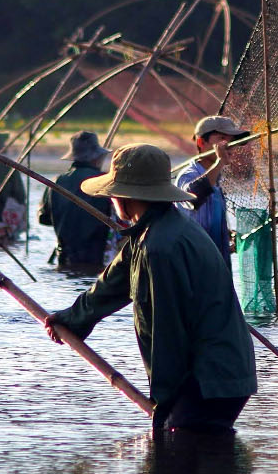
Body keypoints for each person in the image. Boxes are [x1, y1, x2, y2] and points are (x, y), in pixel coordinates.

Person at [44, 143, 257, 432]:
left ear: (124, 197)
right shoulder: (149, 232)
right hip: (216, 373)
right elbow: (110, 286)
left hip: (210, 379)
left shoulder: (161, 247)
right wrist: (71, 320)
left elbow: (166, 330)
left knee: (178, 442)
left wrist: (164, 401)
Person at [176, 115, 250, 269]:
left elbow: (208, 222)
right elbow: (192, 197)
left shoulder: (216, 181)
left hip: (217, 267)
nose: (229, 146)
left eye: (232, 140)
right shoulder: (189, 175)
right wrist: (219, 162)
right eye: (222, 139)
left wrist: (228, 236)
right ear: (201, 142)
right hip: (195, 267)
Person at [41, 131, 114, 270]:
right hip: (97, 259)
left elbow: (44, 218)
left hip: (65, 259)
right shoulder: (105, 181)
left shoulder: (57, 182)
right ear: (96, 157)